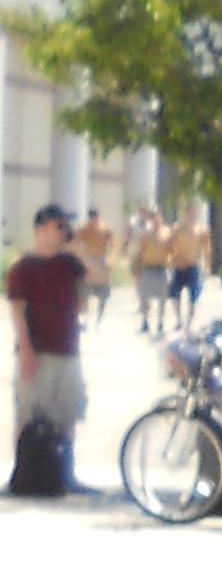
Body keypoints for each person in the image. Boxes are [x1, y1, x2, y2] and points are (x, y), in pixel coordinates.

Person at [7, 206, 89, 493]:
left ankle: (63, 473)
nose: (64, 232)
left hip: (68, 350)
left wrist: (79, 250)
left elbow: (99, 276)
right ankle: (23, 474)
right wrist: (27, 351)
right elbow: (17, 312)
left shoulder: (69, 264)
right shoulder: (23, 268)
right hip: (37, 351)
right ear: (40, 228)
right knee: (28, 413)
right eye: (59, 226)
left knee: (66, 414)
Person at [130, 205, 173, 337]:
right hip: (147, 267)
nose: (155, 219)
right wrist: (137, 270)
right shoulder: (145, 234)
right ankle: (145, 321)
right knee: (145, 296)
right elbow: (140, 252)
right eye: (153, 216)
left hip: (161, 267)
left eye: (157, 216)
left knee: (162, 297)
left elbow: (172, 249)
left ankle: (160, 323)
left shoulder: (167, 232)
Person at [167, 206, 211, 324]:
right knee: (174, 293)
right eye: (188, 213)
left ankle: (189, 321)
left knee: (193, 295)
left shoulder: (201, 230)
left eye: (193, 213)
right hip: (179, 265)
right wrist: (175, 259)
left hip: (193, 265)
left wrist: (207, 265)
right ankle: (179, 319)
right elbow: (170, 245)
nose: (191, 216)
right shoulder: (177, 229)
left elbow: (207, 249)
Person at [74, 209, 113, 325]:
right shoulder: (83, 229)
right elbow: (75, 242)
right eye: (91, 218)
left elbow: (114, 244)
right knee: (84, 291)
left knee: (103, 293)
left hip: (101, 260)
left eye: (95, 218)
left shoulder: (105, 229)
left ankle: (99, 319)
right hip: (88, 261)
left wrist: (111, 259)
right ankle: (84, 318)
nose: (93, 221)